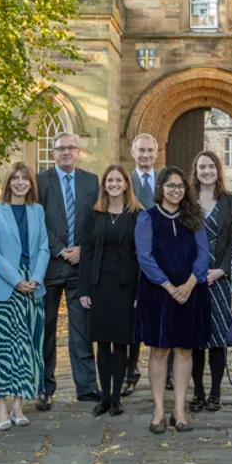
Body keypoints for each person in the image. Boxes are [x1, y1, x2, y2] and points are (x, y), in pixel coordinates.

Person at [135, 166, 210, 434]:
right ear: (161, 189)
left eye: (180, 186)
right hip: (158, 293)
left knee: (184, 349)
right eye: (171, 186)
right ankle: (158, 410)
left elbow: (203, 254)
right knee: (159, 350)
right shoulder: (147, 218)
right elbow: (145, 257)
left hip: (190, 292)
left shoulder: (194, 217)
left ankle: (179, 410)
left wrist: (190, 284)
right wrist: (168, 286)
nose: (176, 190)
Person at [0, 163, 50, 430]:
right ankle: (1, 407)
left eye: (25, 179)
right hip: (5, 287)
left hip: (33, 286)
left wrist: (36, 278)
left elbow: (43, 247)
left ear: (31, 184)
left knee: (26, 347)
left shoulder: (37, 211)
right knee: (2, 348)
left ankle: (19, 405)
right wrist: (17, 280)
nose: (20, 183)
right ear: (8, 182)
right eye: (15, 178)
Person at [35, 132, 101, 410]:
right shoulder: (40, 182)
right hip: (49, 265)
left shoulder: (91, 181)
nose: (66, 153)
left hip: (80, 267)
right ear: (53, 153)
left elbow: (96, 218)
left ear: (78, 152)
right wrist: (60, 249)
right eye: (60, 149)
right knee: (45, 329)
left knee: (82, 330)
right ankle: (43, 388)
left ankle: (86, 387)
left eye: (70, 148)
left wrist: (82, 249)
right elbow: (37, 219)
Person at [79, 165, 142, 417]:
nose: (114, 184)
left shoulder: (137, 214)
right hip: (99, 285)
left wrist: (140, 292)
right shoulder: (94, 214)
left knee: (121, 343)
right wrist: (84, 288)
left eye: (119, 180)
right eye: (110, 180)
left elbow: (143, 256)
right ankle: (104, 397)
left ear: (127, 184)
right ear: (104, 185)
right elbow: (86, 252)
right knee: (102, 343)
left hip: (126, 286)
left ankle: (117, 398)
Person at [188, 150, 232, 413]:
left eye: (210, 166)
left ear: (218, 170)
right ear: (195, 171)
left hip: (219, 278)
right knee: (196, 337)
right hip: (192, 280)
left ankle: (216, 393)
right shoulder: (187, 201)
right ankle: (197, 391)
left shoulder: (230, 202)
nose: (206, 171)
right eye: (201, 167)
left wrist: (221, 271)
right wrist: (192, 273)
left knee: (217, 337)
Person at [125, 133, 161, 395]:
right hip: (132, 258)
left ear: (156, 154)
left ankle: (166, 372)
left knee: (163, 314)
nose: (146, 155)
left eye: (150, 151)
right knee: (132, 318)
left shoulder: (164, 181)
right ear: (133, 153)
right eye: (141, 151)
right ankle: (130, 372)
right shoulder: (124, 181)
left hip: (162, 260)